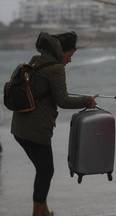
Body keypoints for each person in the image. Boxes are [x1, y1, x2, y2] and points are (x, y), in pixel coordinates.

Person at [11, 32, 97, 216]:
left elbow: (44, 90)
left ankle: (43, 210)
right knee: (46, 170)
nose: (70, 60)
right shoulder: (56, 68)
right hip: (36, 129)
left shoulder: (37, 60)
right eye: (70, 55)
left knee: (43, 169)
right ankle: (37, 213)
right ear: (61, 51)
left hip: (19, 127)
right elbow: (63, 101)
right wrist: (87, 101)